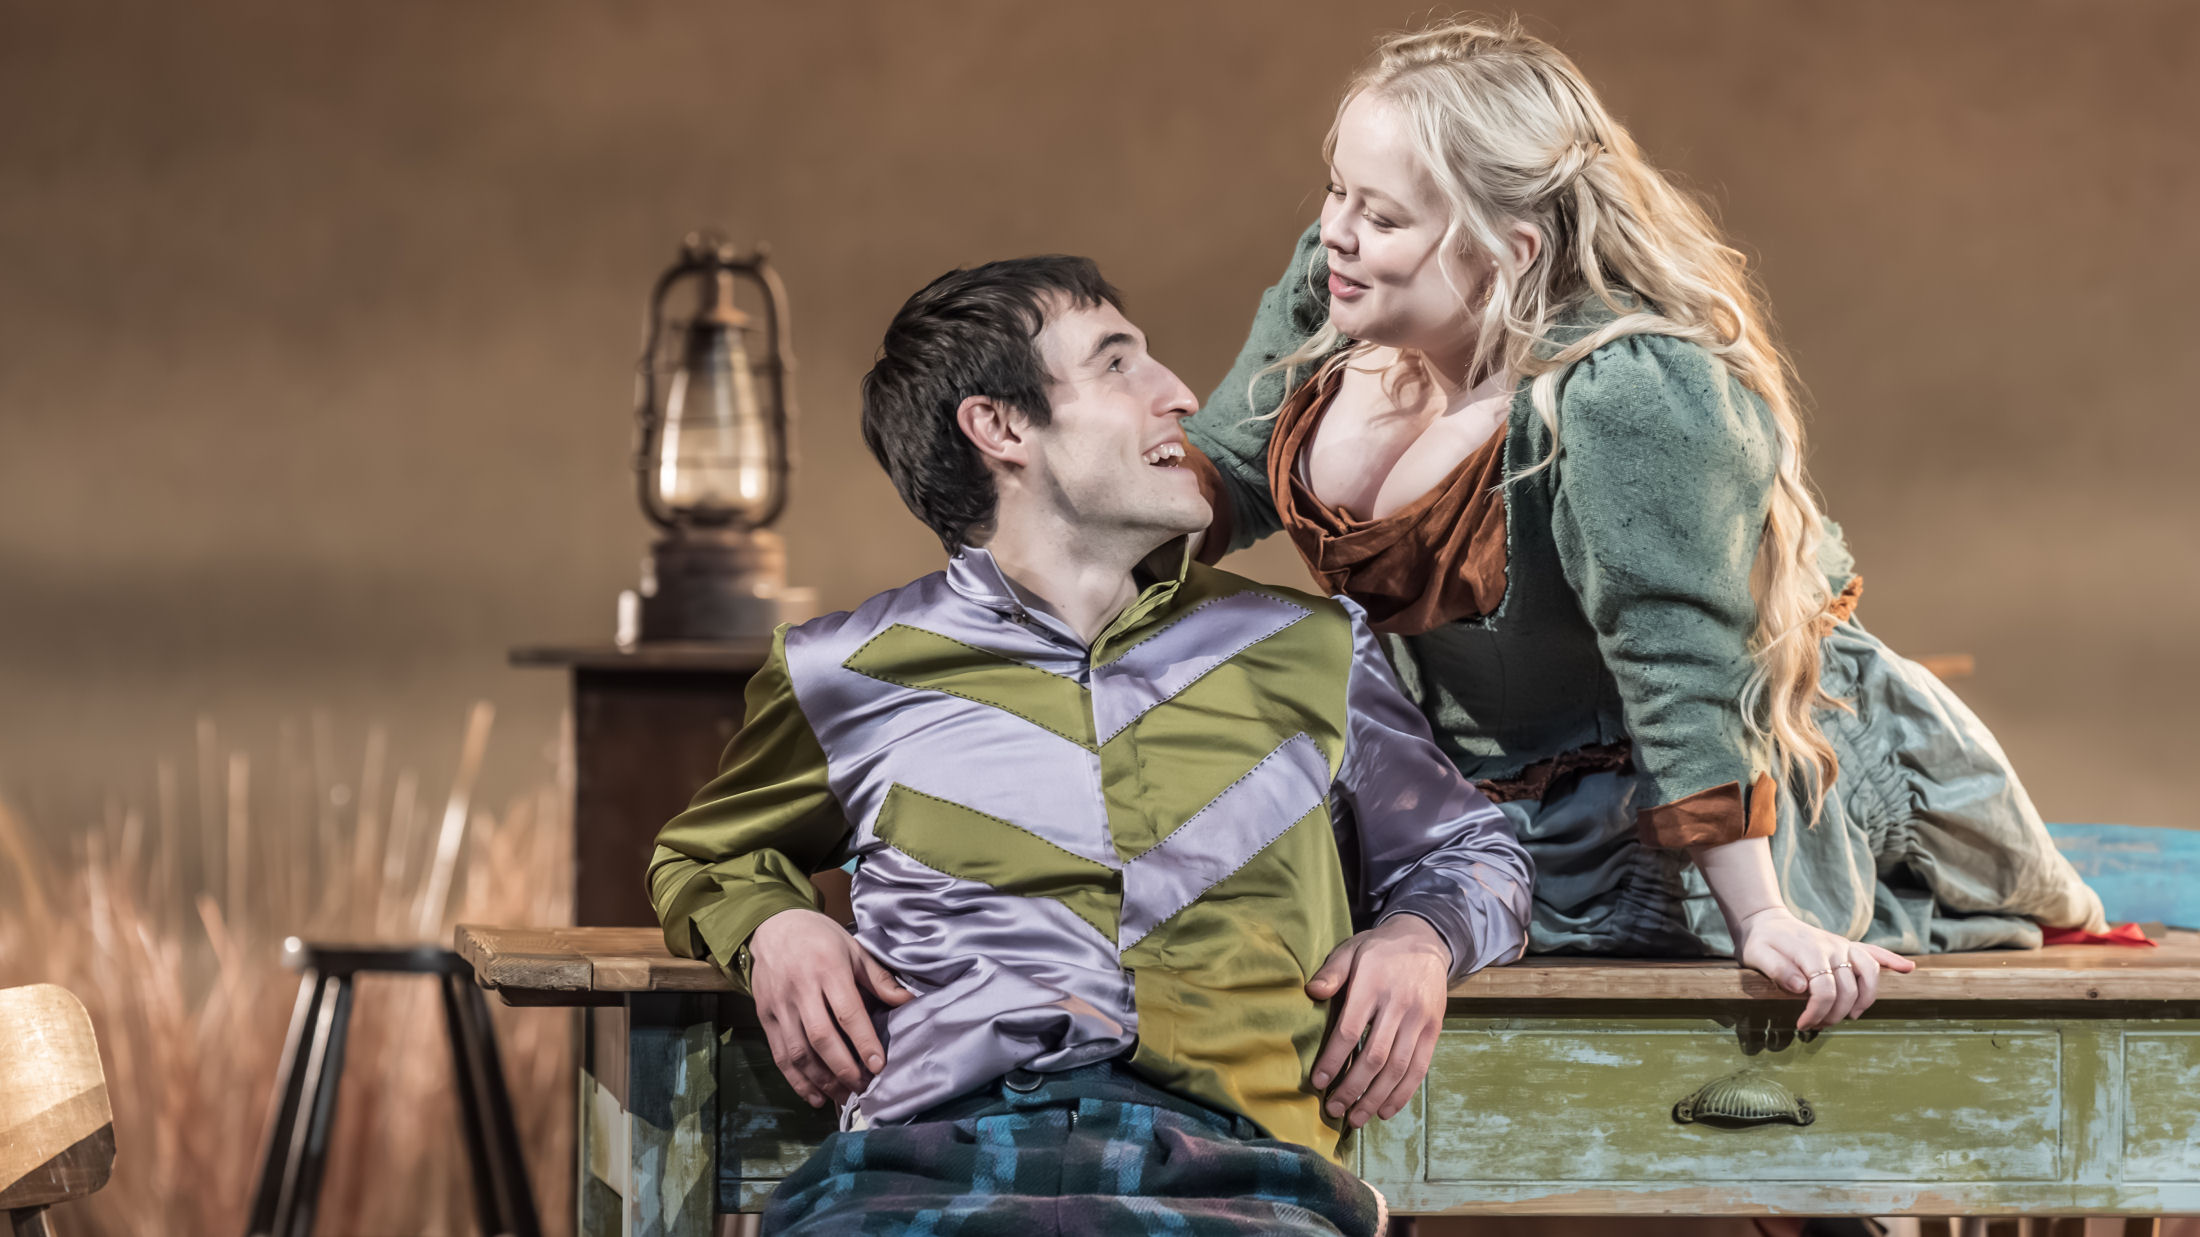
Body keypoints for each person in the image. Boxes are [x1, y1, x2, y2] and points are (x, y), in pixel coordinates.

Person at [1182, 17, 2105, 1033]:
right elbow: (1223, 470)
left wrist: (1762, 917)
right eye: (1337, 190)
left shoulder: (1622, 392)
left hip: (1648, 802)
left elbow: (1678, 667)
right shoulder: (1338, 289)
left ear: (1507, 250)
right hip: (1442, 782)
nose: (1339, 231)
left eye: (1384, 215)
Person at [648, 256, 1534, 1235]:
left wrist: (1421, 938)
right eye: (1117, 363)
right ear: (999, 427)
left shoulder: (1313, 647)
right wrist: (776, 925)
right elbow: (704, 853)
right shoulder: (837, 671)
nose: (1181, 394)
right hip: (917, 1171)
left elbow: (1474, 848)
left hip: (1239, 1176)